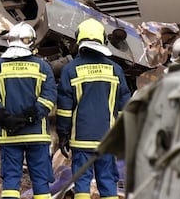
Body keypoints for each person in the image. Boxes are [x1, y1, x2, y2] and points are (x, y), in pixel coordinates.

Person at [55, 19, 131, 199]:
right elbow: (124, 106)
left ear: (79, 40)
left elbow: (65, 108)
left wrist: (63, 134)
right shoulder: (116, 70)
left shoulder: (70, 69)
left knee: (81, 181)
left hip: (80, 139)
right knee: (107, 179)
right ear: (103, 39)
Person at [0, 22, 57, 199]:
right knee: (40, 180)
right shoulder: (42, 67)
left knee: (11, 182)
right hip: (37, 135)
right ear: (30, 42)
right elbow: (49, 96)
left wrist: (2, 116)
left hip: (9, 135)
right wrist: (31, 116)